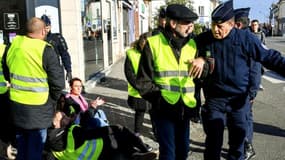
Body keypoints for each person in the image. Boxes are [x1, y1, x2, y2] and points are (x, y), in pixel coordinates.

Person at [194, 0, 285, 159]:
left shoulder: (245, 38)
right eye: (213, 24)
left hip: (238, 101)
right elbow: (183, 51)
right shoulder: (203, 40)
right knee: (213, 143)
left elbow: (270, 57)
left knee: (237, 145)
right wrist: (200, 58)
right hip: (215, 99)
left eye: (220, 26)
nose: (215, 29)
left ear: (231, 24)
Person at [136, 4, 207, 160]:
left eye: (192, 23)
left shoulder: (194, 44)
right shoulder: (153, 43)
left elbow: (204, 72)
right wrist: (159, 100)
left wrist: (202, 61)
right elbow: (143, 81)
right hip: (163, 110)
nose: (191, 27)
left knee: (183, 151)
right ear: (173, 24)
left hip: (185, 109)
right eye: (187, 23)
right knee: (168, 153)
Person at [2, 17, 65, 160]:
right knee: (35, 149)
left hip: (17, 105)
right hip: (39, 107)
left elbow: (6, 70)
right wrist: (53, 100)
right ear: (43, 31)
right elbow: (58, 83)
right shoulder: (45, 50)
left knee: (21, 145)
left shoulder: (14, 44)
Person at [45, 111, 157, 160]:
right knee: (119, 133)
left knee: (117, 137)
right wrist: (114, 128)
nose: (66, 117)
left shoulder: (47, 141)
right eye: (63, 117)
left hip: (89, 156)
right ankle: (141, 150)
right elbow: (94, 134)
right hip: (100, 151)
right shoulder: (72, 132)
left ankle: (136, 154)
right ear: (56, 124)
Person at [234, 7, 259, 160]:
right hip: (237, 90)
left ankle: (247, 146)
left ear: (238, 25)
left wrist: (252, 92)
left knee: (245, 118)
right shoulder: (238, 39)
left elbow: (255, 70)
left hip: (244, 91)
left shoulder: (250, 41)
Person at [124, 32, 155, 140]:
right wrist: (138, 86)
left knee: (154, 113)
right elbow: (129, 73)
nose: (146, 47)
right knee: (140, 112)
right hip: (138, 90)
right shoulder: (131, 53)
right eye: (144, 44)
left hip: (153, 90)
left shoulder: (155, 53)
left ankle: (156, 133)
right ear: (140, 42)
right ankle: (137, 133)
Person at [41, 14, 72, 82]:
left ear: (50, 26)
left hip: (54, 70)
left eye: (47, 27)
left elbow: (65, 55)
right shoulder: (37, 39)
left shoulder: (57, 38)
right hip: (41, 71)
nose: (46, 30)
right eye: (44, 28)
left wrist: (68, 70)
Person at [251, 19, 266, 90]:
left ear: (258, 25)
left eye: (255, 25)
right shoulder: (248, 33)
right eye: (252, 25)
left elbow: (264, 44)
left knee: (259, 69)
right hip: (250, 55)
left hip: (259, 54)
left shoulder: (261, 34)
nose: (254, 26)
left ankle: (259, 83)